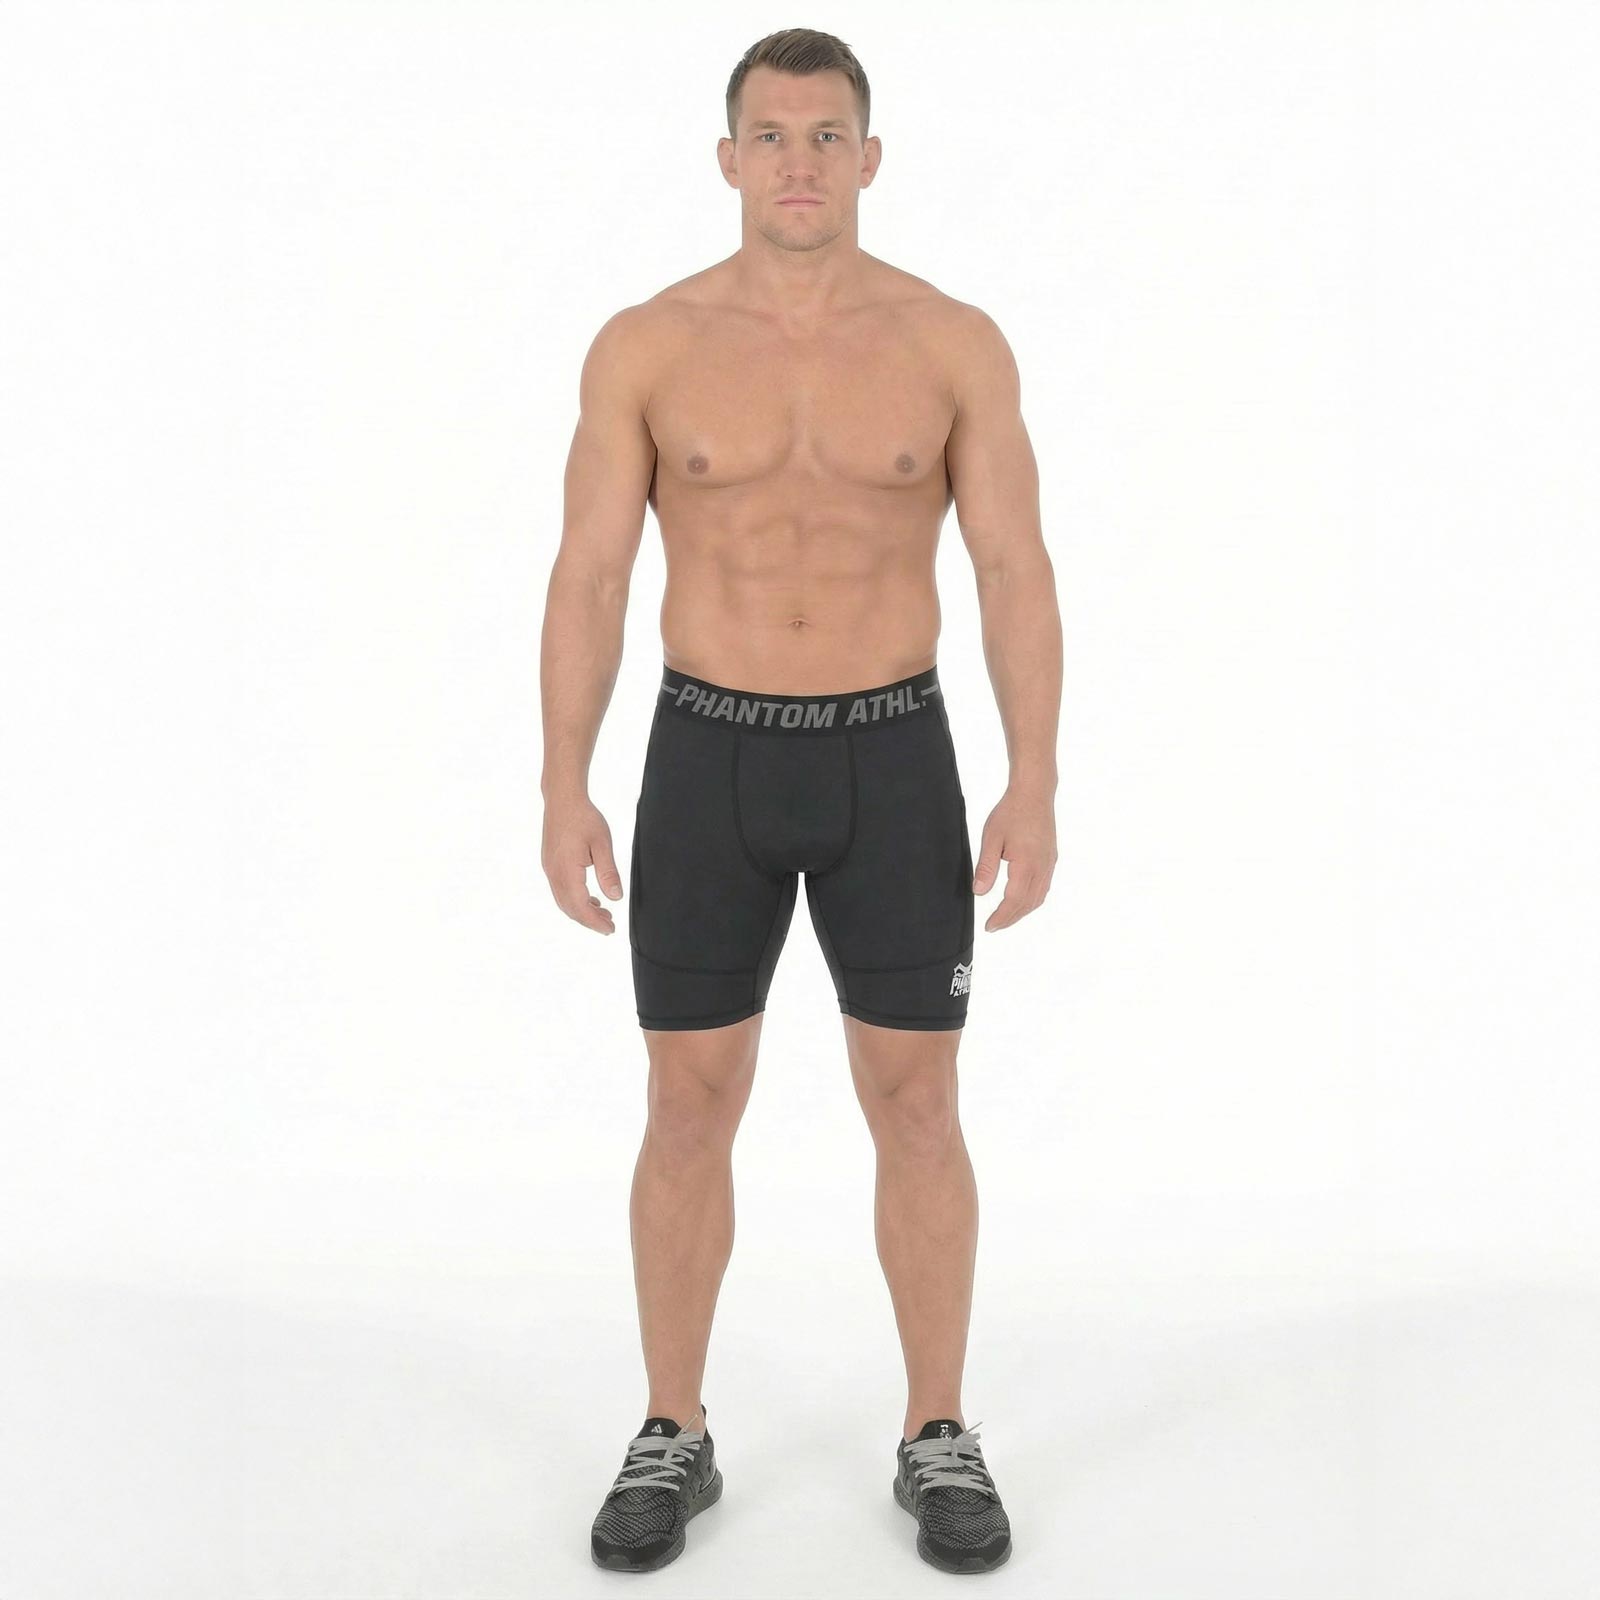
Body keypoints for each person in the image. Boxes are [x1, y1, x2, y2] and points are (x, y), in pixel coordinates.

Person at [539, 27, 1061, 1576]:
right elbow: (589, 574)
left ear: (870, 156)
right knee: (686, 1104)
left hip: (893, 757)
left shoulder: (953, 342)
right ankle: (672, 1429)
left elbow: (1013, 566)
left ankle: (938, 1430)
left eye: (827, 136)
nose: (799, 164)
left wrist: (1034, 775)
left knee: (919, 1104)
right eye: (771, 136)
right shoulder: (647, 345)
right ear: (727, 159)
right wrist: (563, 778)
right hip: (706, 757)